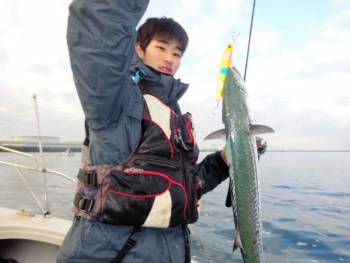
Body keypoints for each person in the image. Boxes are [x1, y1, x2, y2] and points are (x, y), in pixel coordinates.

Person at [57, 1, 231, 262]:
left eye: (177, 53)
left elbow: (185, 186)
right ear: (138, 48)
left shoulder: (176, 116)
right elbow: (98, 30)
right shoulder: (115, 99)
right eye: (160, 48)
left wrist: (221, 164)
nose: (169, 58)